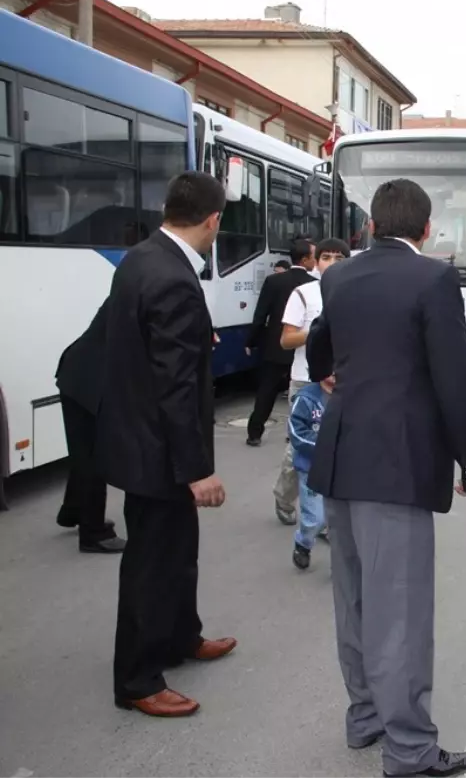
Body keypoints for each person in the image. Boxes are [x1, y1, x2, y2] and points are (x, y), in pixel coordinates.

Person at [305, 178, 466, 778]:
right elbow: (454, 379)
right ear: (425, 228)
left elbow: (318, 351)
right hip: (398, 460)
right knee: (400, 612)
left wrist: (339, 375)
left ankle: (365, 718)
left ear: (370, 226)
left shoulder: (337, 276)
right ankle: (409, 750)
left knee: (354, 598)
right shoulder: (434, 278)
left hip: (340, 452)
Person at [99, 171, 234, 718]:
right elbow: (175, 386)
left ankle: (182, 636)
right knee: (152, 564)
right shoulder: (175, 277)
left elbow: (146, 344)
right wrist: (197, 469)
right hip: (160, 448)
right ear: (213, 221)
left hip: (139, 437)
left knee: (178, 554)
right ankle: (137, 679)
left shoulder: (141, 257)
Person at [273, 238, 350, 526]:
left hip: (343, 383)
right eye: (326, 257)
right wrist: (320, 329)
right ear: (315, 262)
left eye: (339, 257)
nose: (332, 262)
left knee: (337, 449)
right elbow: (286, 339)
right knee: (299, 450)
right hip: (307, 383)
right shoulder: (303, 293)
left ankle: (323, 518)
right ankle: (283, 496)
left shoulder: (355, 291)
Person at [54, 299, 125, 553]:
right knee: (94, 455)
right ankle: (94, 533)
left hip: (79, 373)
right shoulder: (143, 293)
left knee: (83, 451)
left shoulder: (131, 287)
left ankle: (73, 511)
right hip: (89, 382)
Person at [245, 238, 316, 450]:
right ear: (305, 259)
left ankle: (254, 432)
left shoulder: (273, 281)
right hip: (302, 347)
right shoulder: (312, 284)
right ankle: (294, 431)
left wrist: (251, 341)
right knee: (301, 392)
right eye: (314, 256)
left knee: (266, 391)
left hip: (276, 346)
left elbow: (260, 315)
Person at [289, 373, 334, 570]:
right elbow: (297, 433)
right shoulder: (306, 398)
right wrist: (325, 447)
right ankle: (303, 543)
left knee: (340, 519)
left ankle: (341, 563)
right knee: (315, 518)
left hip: (341, 470)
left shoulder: (350, 394)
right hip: (311, 469)